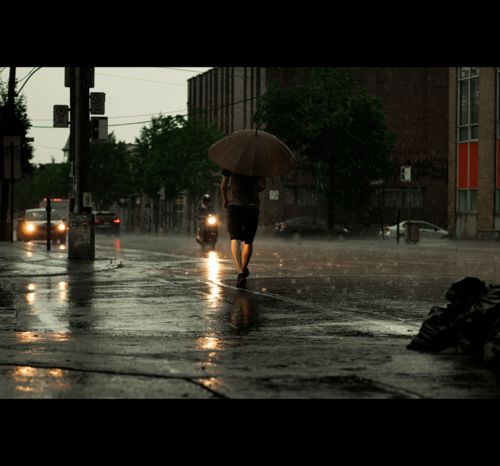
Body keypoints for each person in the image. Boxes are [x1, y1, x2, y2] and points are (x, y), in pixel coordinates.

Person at [220, 169, 266, 288]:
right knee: (248, 241)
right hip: (252, 207)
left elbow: (223, 187)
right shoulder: (258, 166)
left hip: (236, 206)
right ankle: (243, 271)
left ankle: (240, 272)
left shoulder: (231, 164)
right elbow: (264, 186)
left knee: (235, 238)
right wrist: (252, 191)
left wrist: (225, 200)